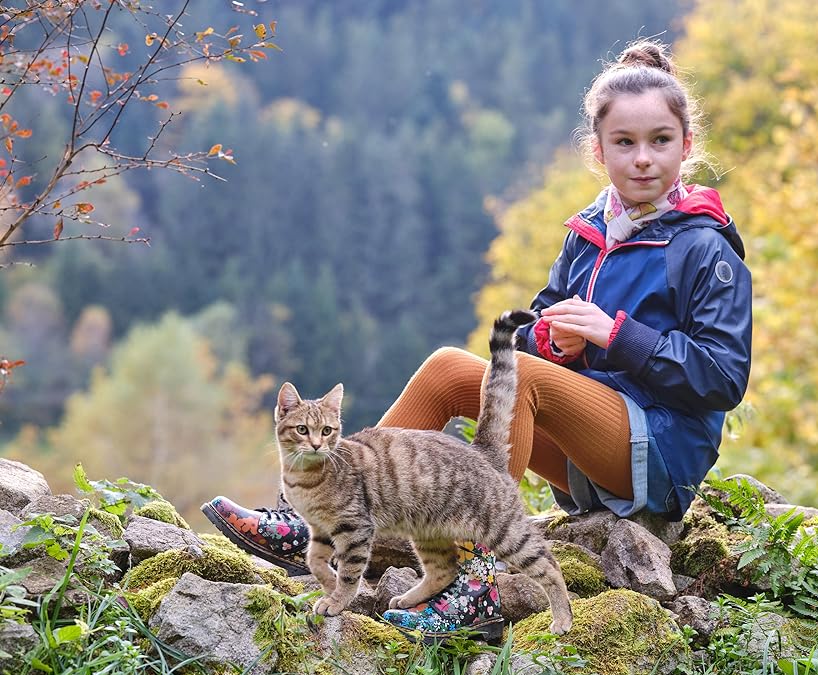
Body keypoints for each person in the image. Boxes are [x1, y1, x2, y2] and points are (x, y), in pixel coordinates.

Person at [203, 38, 752, 637]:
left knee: (530, 386)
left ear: (687, 145)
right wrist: (555, 341)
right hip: (584, 449)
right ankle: (321, 514)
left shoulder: (704, 246)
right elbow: (531, 335)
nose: (642, 158)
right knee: (448, 368)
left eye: (660, 141)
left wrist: (615, 339)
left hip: (660, 456)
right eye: (624, 143)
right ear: (598, 151)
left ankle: (486, 587)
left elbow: (723, 378)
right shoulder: (591, 233)